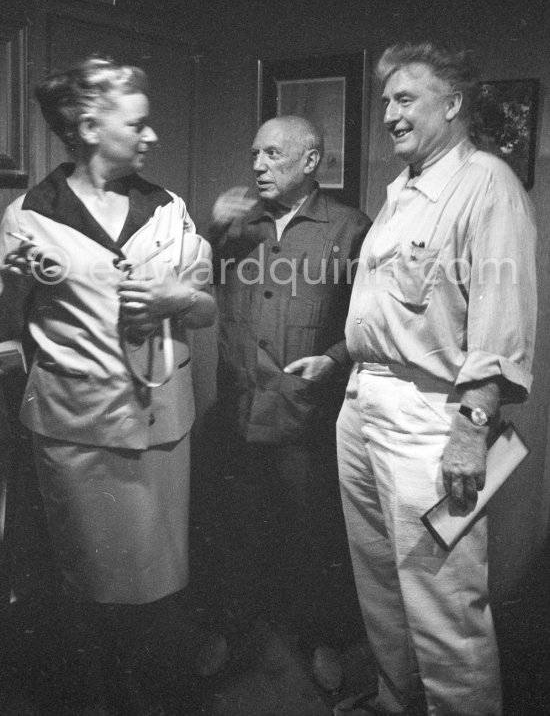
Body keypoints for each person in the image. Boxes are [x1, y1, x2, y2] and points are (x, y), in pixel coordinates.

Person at [0, 57, 215, 716]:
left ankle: (153, 694)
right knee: (88, 585)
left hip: (160, 429)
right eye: (139, 124)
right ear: (90, 126)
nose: (152, 138)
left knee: (159, 580)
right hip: (77, 432)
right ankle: (96, 699)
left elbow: (206, 308)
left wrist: (180, 293)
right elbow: (8, 329)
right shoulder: (30, 217)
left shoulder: (167, 208)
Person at [334, 43, 537, 716]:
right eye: (385, 100)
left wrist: (471, 430)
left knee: (443, 602)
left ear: (451, 105)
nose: (389, 113)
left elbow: (500, 324)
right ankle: (399, 704)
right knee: (385, 592)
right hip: (364, 401)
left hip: (432, 417)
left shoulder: (486, 184)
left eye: (405, 99)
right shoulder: (401, 194)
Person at [201, 115, 371, 689]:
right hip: (238, 412)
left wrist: (339, 357)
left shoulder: (350, 229)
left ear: (311, 160)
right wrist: (211, 230)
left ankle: (322, 637)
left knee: (316, 536)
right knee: (232, 532)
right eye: (255, 154)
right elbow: (188, 283)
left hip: (305, 416)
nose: (257, 165)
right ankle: (231, 629)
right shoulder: (239, 226)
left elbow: (373, 322)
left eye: (273, 154)